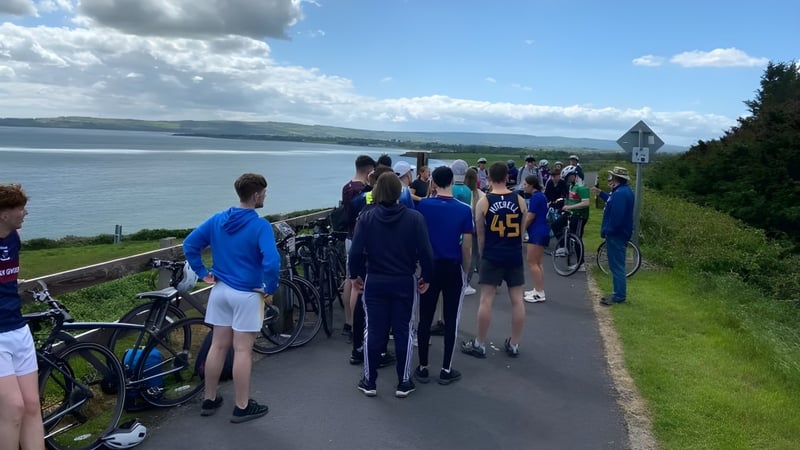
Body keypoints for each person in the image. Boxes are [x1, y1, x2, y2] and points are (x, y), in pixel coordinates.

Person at [183, 173, 279, 423]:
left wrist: (203, 273)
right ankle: (242, 405)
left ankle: (210, 398)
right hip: (247, 294)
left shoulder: (217, 220)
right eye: (265, 193)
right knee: (243, 350)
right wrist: (270, 287)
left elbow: (190, 244)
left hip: (221, 291)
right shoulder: (260, 226)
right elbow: (272, 261)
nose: (265, 197)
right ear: (256, 195)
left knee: (218, 346)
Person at [349, 172, 434, 398]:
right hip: (404, 280)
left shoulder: (366, 218)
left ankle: (369, 380)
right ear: (399, 192)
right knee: (403, 330)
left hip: (375, 279)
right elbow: (426, 252)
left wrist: (355, 275)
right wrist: (427, 276)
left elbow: (355, 251)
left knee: (373, 331)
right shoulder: (415, 218)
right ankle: (404, 381)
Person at [462, 162, 528, 358]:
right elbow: (522, 232)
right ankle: (514, 343)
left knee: (486, 299)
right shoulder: (520, 200)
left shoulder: (484, 202)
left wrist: (483, 255)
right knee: (517, 300)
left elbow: (480, 234)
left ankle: (480, 343)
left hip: (492, 254)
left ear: (489, 177)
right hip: (513, 254)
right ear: (507, 176)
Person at [415, 166, 474, 385]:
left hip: (429, 267)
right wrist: (465, 272)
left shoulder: (423, 206)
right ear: (452, 181)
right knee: (451, 319)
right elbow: (466, 247)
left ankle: (422, 367)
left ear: (433, 182)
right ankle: (446, 368)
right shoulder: (464, 209)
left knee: (425, 317)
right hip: (452, 267)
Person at [0, 184, 45, 450]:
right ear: (3, 213)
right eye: (19, 208)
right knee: (13, 408)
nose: (25, 213)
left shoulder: (14, 239)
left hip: (17, 327)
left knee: (30, 405)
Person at [340, 155, 376, 342]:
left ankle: (348, 321)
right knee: (358, 284)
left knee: (349, 279)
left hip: (348, 236)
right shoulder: (363, 191)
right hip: (360, 239)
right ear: (369, 170)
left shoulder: (347, 187)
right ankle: (357, 325)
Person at [592, 167, 635, 306]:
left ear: (616, 178)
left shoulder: (620, 194)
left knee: (617, 266)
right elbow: (611, 201)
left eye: (611, 177)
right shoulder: (623, 191)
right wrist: (602, 194)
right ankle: (618, 294)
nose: (610, 178)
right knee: (617, 265)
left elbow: (617, 216)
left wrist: (607, 230)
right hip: (620, 233)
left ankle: (619, 296)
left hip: (616, 234)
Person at [554, 165, 590, 271]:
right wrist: (564, 205)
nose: (567, 180)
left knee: (576, 239)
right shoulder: (572, 186)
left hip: (579, 216)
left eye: (568, 178)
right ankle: (564, 247)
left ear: (574, 175)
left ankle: (581, 263)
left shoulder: (581, 187)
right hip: (571, 213)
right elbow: (571, 199)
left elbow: (586, 203)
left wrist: (570, 207)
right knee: (555, 225)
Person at [523, 177, 549, 303]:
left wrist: (521, 229)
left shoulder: (536, 197)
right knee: (538, 263)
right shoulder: (541, 196)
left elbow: (530, 216)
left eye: (526, 184)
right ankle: (538, 288)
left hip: (537, 232)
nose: (524, 186)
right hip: (542, 230)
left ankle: (539, 292)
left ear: (532, 185)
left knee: (531, 262)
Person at [463, 168, 485, 296]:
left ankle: (463, 280)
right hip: (476, 228)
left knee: (465, 254)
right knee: (475, 254)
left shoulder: (460, 192)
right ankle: (472, 280)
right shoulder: (481, 195)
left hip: (463, 228)